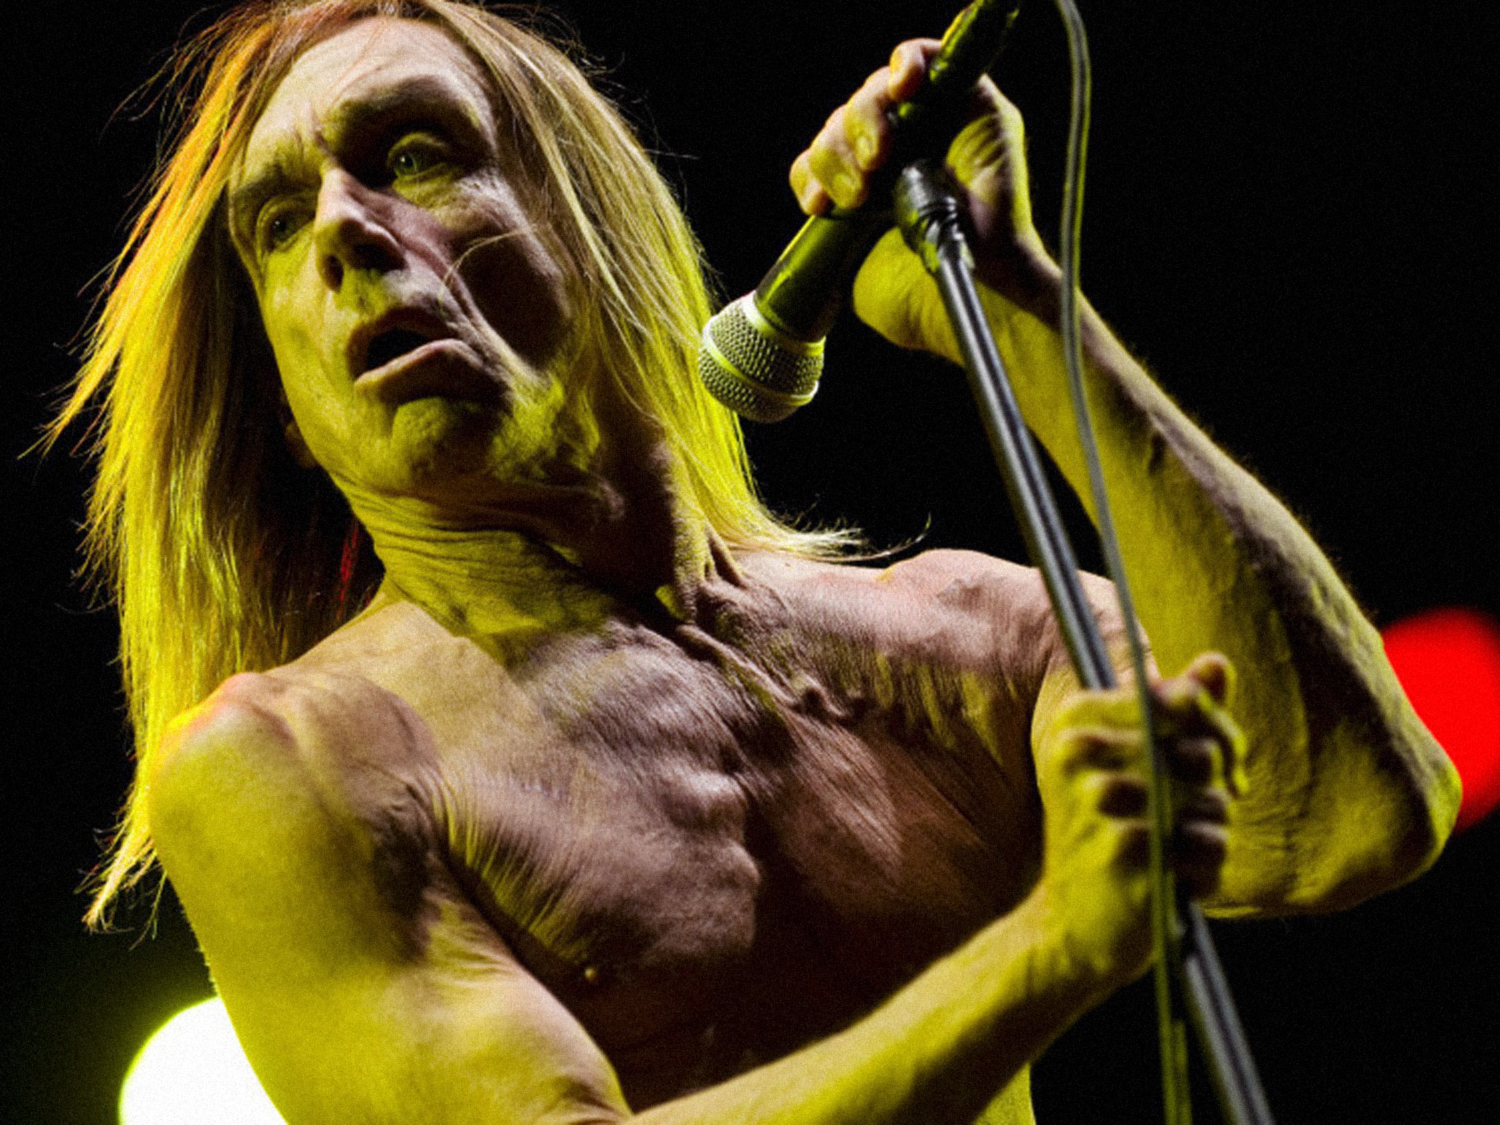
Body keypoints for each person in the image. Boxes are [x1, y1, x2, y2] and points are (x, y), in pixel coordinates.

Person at [50, 2, 1459, 1122]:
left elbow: (1352, 814)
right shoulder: (290, 765)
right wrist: (1049, 947)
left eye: (414, 154)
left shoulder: (949, 640)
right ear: (284, 406)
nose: (345, 231)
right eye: (277, 223)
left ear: (592, 226)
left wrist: (1020, 296)